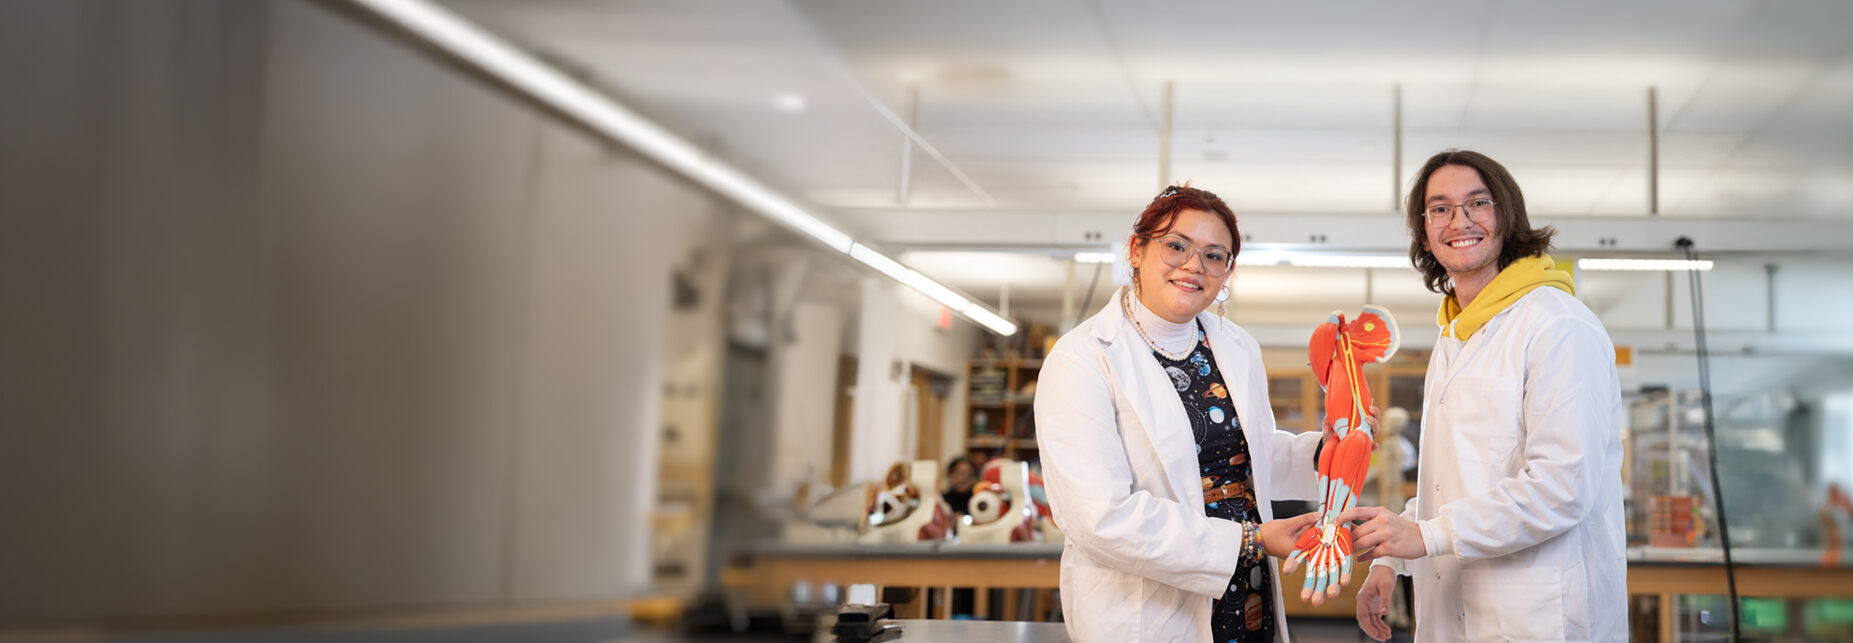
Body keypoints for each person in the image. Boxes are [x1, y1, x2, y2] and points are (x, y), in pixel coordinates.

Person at [1341, 150, 1627, 642]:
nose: (1460, 221)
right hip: (1453, 612)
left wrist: (1425, 536)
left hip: (1538, 617)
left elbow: (1562, 488)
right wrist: (1390, 558)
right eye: (1440, 209)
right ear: (1425, 230)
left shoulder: (1557, 325)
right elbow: (1448, 484)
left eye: (1479, 203)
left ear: (1507, 215)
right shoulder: (1455, 334)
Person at [1036, 185, 1327, 642]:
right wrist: (1249, 541)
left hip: (1246, 587)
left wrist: (1326, 451)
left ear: (1227, 272)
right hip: (1147, 603)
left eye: (1215, 255)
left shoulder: (1236, 347)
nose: (1195, 266)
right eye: (1176, 246)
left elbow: (1249, 454)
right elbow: (1099, 517)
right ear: (1137, 249)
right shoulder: (1082, 358)